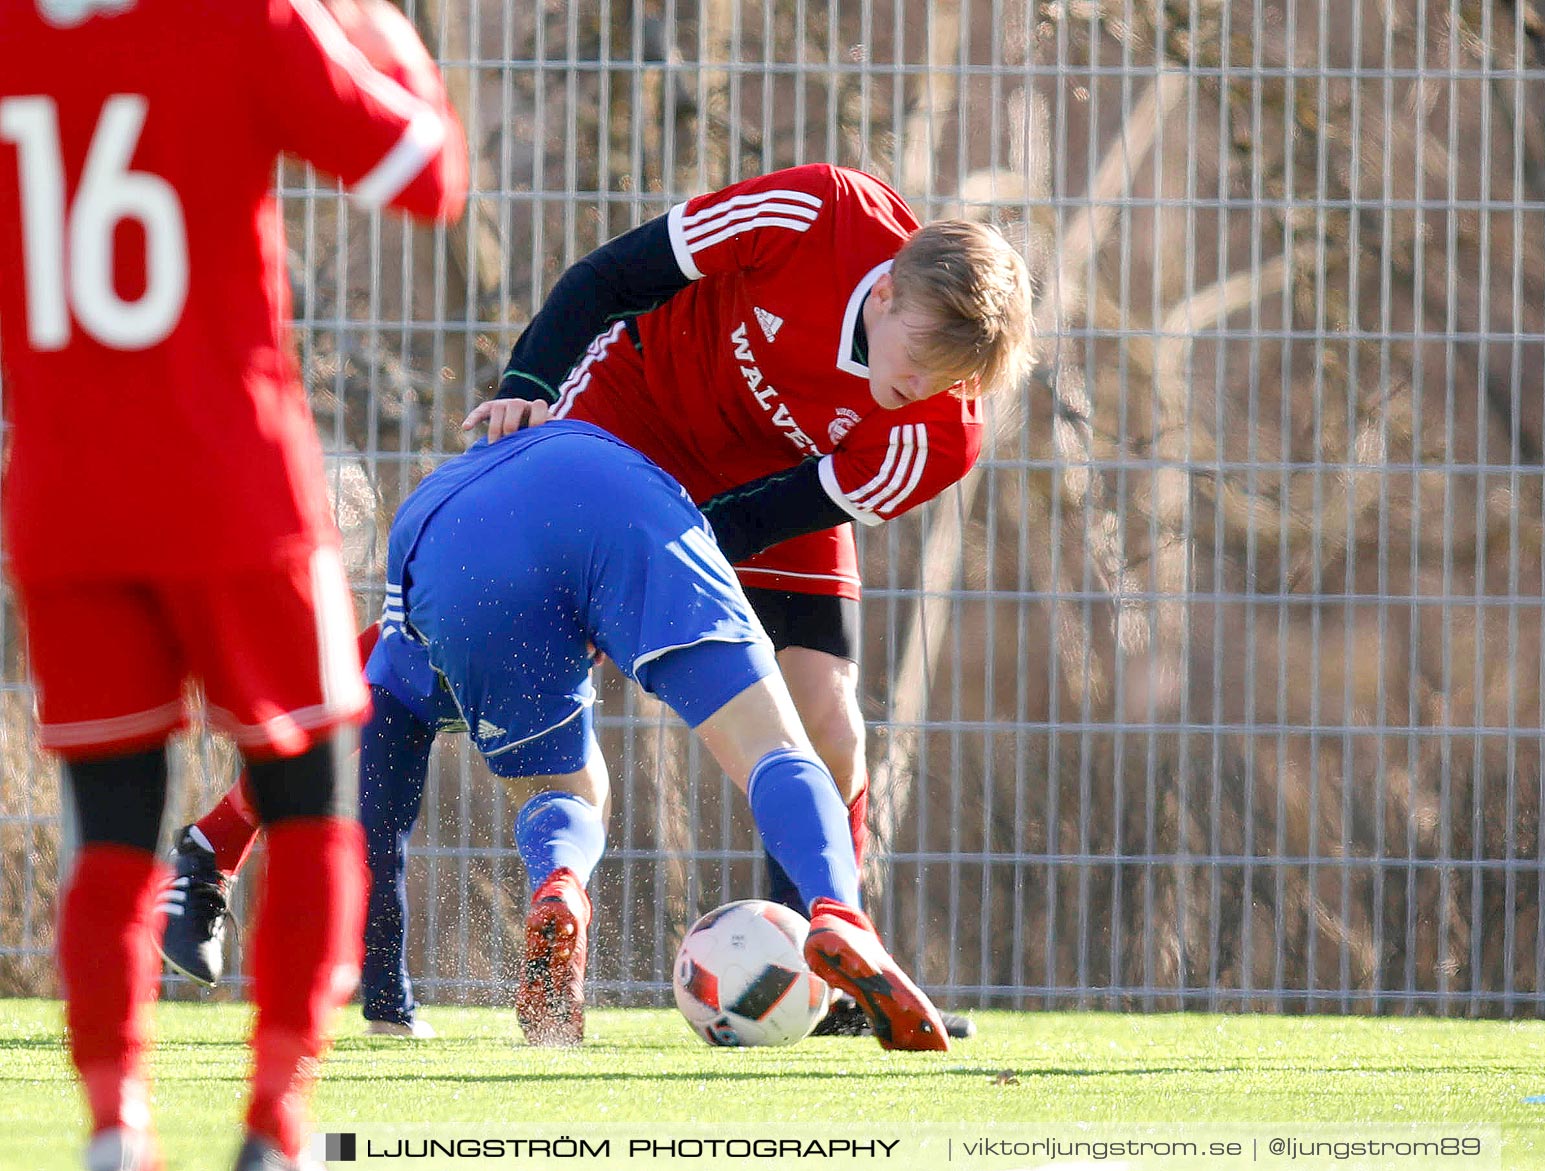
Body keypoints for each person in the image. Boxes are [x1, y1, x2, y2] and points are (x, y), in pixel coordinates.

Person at [161, 163, 1036, 1038]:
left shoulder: (939, 434)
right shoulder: (817, 214)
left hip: (766, 492)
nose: (922, 393)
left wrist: (665, 570)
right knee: (450, 655)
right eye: (918, 363)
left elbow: (772, 515)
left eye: (949, 382)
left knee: (832, 722)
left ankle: (834, 972)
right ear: (881, 291)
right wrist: (528, 382)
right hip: (634, 413)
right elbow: (610, 277)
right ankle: (216, 845)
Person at [0, 0, 467, 1167]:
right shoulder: (241, 20)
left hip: (64, 495)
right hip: (233, 484)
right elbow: (430, 173)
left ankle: (116, 1126)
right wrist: (374, 26)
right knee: (310, 793)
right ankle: (276, 1119)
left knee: (112, 822)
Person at [353, 417, 951, 1050]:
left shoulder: (403, 617)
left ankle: (559, 882)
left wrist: (386, 996)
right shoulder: (585, 425)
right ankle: (839, 909)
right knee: (773, 746)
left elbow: (377, 776)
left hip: (459, 543)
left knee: (571, 790)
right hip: (625, 499)